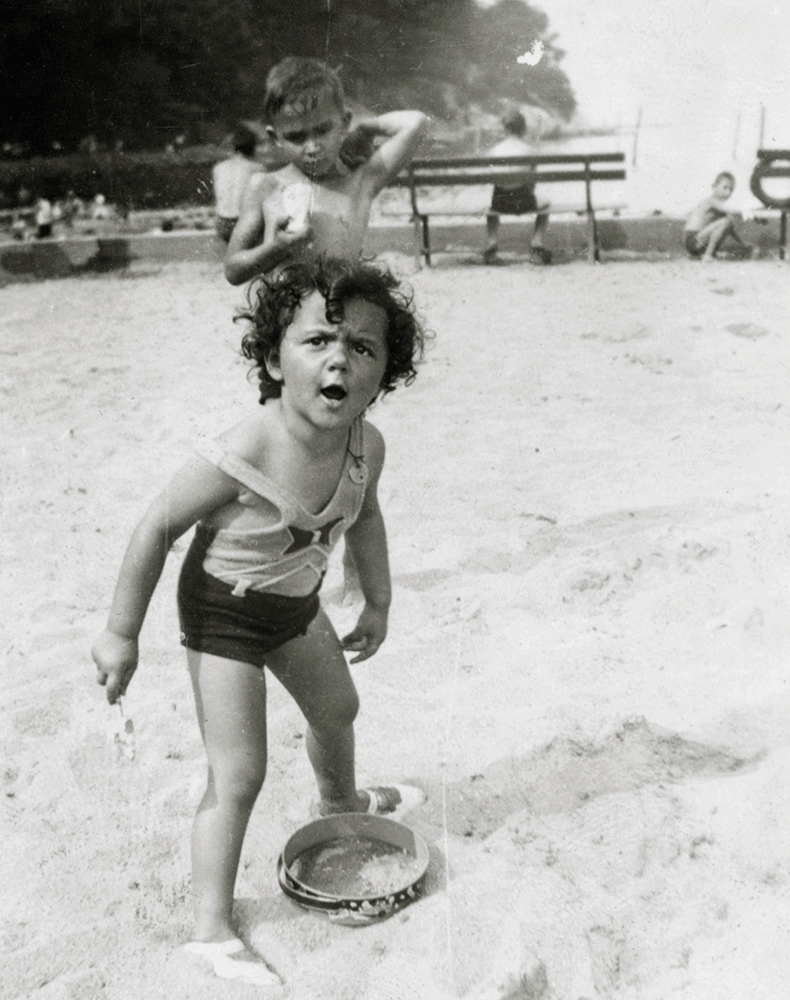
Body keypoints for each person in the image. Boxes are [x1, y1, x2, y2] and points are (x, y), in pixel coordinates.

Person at [91, 256, 426, 987]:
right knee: (239, 772)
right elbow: (156, 526)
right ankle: (210, 928)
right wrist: (121, 634)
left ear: (385, 373)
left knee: (338, 707)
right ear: (274, 357)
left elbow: (365, 517)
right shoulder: (248, 446)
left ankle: (339, 803)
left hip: (293, 604)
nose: (340, 358)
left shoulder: (367, 446)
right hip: (223, 613)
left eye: (363, 348)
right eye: (317, 342)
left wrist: (379, 600)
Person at [224, 57, 427, 285]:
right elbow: (233, 270)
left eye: (323, 130)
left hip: (341, 305)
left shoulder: (360, 180)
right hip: (288, 311)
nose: (312, 147)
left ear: (344, 122)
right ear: (275, 137)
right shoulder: (265, 185)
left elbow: (416, 123)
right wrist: (276, 248)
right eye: (296, 137)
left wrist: (363, 130)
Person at [483, 108, 552, 266]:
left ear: (505, 128)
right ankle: (537, 241)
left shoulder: (494, 151)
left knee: (490, 209)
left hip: (499, 204)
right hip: (524, 202)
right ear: (523, 128)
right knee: (546, 203)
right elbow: (532, 181)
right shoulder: (528, 151)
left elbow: (493, 179)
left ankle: (492, 239)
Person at [212, 123, 263, 243]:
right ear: (253, 148)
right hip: (242, 224)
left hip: (222, 223)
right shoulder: (257, 168)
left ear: (234, 147)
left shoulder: (219, 167)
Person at [684, 171, 752, 261]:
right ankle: (708, 255)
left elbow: (730, 229)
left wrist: (742, 243)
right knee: (726, 221)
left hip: (698, 240)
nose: (728, 193)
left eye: (731, 190)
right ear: (714, 187)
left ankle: (701, 254)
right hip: (693, 240)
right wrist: (745, 210)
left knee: (727, 222)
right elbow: (730, 212)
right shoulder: (711, 201)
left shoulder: (718, 207)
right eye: (725, 188)